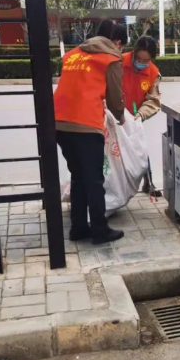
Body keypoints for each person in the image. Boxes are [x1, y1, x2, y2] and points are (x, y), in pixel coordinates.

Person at [54, 20, 126, 245]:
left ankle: (78, 228)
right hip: (85, 123)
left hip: (58, 122)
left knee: (78, 176)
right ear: (116, 42)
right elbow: (115, 98)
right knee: (94, 180)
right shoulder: (111, 58)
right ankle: (100, 231)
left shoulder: (72, 55)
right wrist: (121, 117)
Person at [121, 35, 162, 196]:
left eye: (146, 61)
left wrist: (140, 114)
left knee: (139, 149)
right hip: (113, 115)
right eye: (138, 59)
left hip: (134, 118)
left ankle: (149, 183)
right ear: (133, 52)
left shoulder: (153, 73)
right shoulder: (118, 62)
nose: (141, 63)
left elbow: (153, 100)